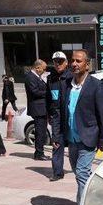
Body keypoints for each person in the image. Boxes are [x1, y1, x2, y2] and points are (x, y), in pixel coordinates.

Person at [51, 49, 103, 205]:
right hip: (72, 138)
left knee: (82, 174)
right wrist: (57, 135)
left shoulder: (95, 86)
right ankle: (97, 199)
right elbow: (59, 111)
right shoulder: (67, 84)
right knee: (80, 174)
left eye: (78, 61)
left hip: (88, 137)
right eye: (73, 61)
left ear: (87, 65)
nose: (74, 64)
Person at [47, 51, 72, 182]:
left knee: (76, 145)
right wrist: (48, 115)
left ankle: (80, 169)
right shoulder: (50, 79)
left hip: (71, 116)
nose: (58, 64)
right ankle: (57, 172)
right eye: (56, 62)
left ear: (66, 63)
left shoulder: (72, 77)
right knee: (56, 143)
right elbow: (48, 99)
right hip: (57, 116)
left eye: (61, 61)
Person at [25, 59, 49, 161]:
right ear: (38, 67)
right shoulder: (30, 77)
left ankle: (39, 152)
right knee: (40, 132)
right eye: (43, 69)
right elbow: (35, 92)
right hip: (37, 108)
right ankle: (39, 153)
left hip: (42, 108)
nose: (44, 71)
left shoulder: (37, 77)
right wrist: (47, 93)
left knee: (42, 131)